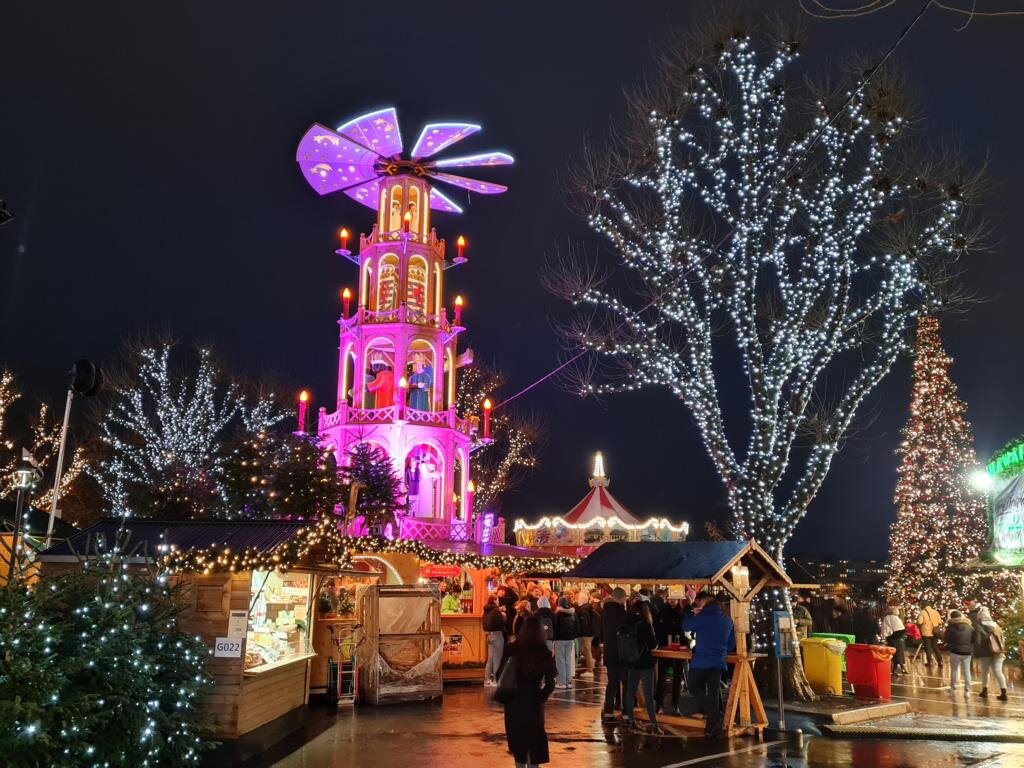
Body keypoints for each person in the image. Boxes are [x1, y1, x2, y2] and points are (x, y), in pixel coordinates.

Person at [501, 615, 556, 768]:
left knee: (518, 741)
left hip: (514, 701)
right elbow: (550, 684)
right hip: (533, 701)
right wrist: (541, 697)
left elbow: (500, 674)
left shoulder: (511, 649)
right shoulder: (544, 653)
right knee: (534, 742)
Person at [682, 592, 735, 738]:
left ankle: (714, 714)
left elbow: (686, 625)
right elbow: (731, 643)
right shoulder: (727, 620)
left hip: (701, 661)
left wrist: (692, 613)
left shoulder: (703, 617)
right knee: (713, 693)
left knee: (693, 687)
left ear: (704, 605)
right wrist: (722, 651)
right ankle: (711, 728)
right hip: (718, 662)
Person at [622, 599, 661, 732]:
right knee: (648, 694)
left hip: (631, 662)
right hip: (645, 663)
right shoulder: (645, 624)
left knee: (630, 692)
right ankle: (654, 724)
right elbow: (653, 645)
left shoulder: (626, 623)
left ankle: (631, 721)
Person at [600, 588, 629, 723]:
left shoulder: (605, 612)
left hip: (609, 652)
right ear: (621, 598)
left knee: (612, 683)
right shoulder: (622, 613)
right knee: (626, 683)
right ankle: (626, 714)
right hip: (622, 654)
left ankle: (608, 712)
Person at [653, 595, 684, 715]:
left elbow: (685, 631)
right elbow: (656, 629)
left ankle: (676, 704)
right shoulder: (661, 613)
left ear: (678, 599)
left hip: (679, 650)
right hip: (664, 649)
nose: (672, 600)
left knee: (677, 679)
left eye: (674, 598)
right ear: (667, 599)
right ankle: (659, 704)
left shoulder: (681, 614)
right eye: (670, 598)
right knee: (662, 678)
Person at [973, 606, 1008, 701]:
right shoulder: (997, 626)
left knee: (985, 672)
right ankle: (1004, 692)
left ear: (979, 616)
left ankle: (984, 691)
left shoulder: (979, 626)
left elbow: (977, 641)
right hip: (998, 652)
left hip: (985, 652)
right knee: (998, 671)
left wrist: (976, 653)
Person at [943, 609, 974, 695]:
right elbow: (973, 639)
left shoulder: (950, 627)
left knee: (954, 670)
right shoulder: (969, 627)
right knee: (967, 671)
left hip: (955, 651)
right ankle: (967, 691)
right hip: (967, 652)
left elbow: (946, 639)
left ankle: (953, 689)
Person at [553, 596, 579, 689]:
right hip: (570, 639)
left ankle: (562, 682)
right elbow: (576, 626)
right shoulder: (572, 613)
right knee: (568, 660)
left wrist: (554, 638)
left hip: (560, 639)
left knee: (560, 660)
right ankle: (568, 681)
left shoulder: (557, 614)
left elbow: (555, 627)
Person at [483, 596, 507, 686]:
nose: (498, 601)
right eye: (497, 600)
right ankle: (496, 680)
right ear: (494, 601)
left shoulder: (486, 611)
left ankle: (487, 680)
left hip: (489, 635)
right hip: (497, 635)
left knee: (490, 659)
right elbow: (501, 622)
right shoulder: (496, 611)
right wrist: (503, 616)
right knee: (497, 658)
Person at [576, 590, 599, 679]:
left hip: (586, 634)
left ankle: (590, 670)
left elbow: (584, 623)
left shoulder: (582, 610)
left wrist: (581, 632)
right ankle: (591, 664)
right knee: (586, 651)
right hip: (590, 633)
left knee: (587, 651)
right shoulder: (588, 608)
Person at [916, 596, 944, 670]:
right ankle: (940, 661)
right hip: (935, 632)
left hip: (926, 632)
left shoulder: (922, 612)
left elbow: (919, 622)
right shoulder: (935, 611)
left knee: (928, 647)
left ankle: (930, 661)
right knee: (935, 646)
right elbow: (940, 622)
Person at [880, 605, 908, 675]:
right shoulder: (896, 618)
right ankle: (901, 668)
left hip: (891, 638)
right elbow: (901, 628)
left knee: (894, 653)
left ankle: (896, 669)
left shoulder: (887, 618)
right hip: (898, 637)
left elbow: (885, 628)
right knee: (899, 653)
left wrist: (884, 636)